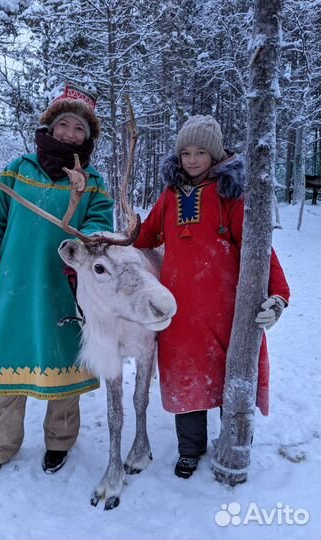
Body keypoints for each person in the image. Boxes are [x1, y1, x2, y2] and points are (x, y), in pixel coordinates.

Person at [133, 115, 290, 479]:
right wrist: (120, 237)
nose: (191, 159)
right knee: (186, 377)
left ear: (215, 154)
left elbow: (258, 249)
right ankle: (190, 449)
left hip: (227, 311)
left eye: (200, 152)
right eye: (185, 152)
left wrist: (278, 295)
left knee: (229, 376)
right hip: (179, 311)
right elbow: (147, 237)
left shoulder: (232, 195)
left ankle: (233, 441)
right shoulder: (171, 195)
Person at [0, 84, 114, 480]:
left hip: (65, 287)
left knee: (63, 360)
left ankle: (60, 441)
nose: (71, 133)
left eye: (80, 129)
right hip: (14, 285)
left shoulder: (93, 182)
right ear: (49, 127)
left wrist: (83, 257)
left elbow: (100, 225)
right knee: (6, 363)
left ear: (89, 137)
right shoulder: (17, 170)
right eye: (64, 124)